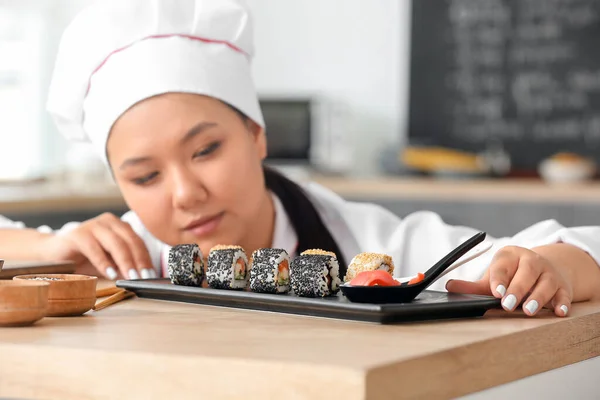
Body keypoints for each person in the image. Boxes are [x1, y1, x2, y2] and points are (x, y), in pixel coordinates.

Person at [0, 0, 598, 318]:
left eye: (206, 149)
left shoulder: (358, 240)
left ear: (258, 135)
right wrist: (47, 249)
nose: (184, 194)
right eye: (144, 175)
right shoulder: (115, 254)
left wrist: (547, 267)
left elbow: (575, 244)